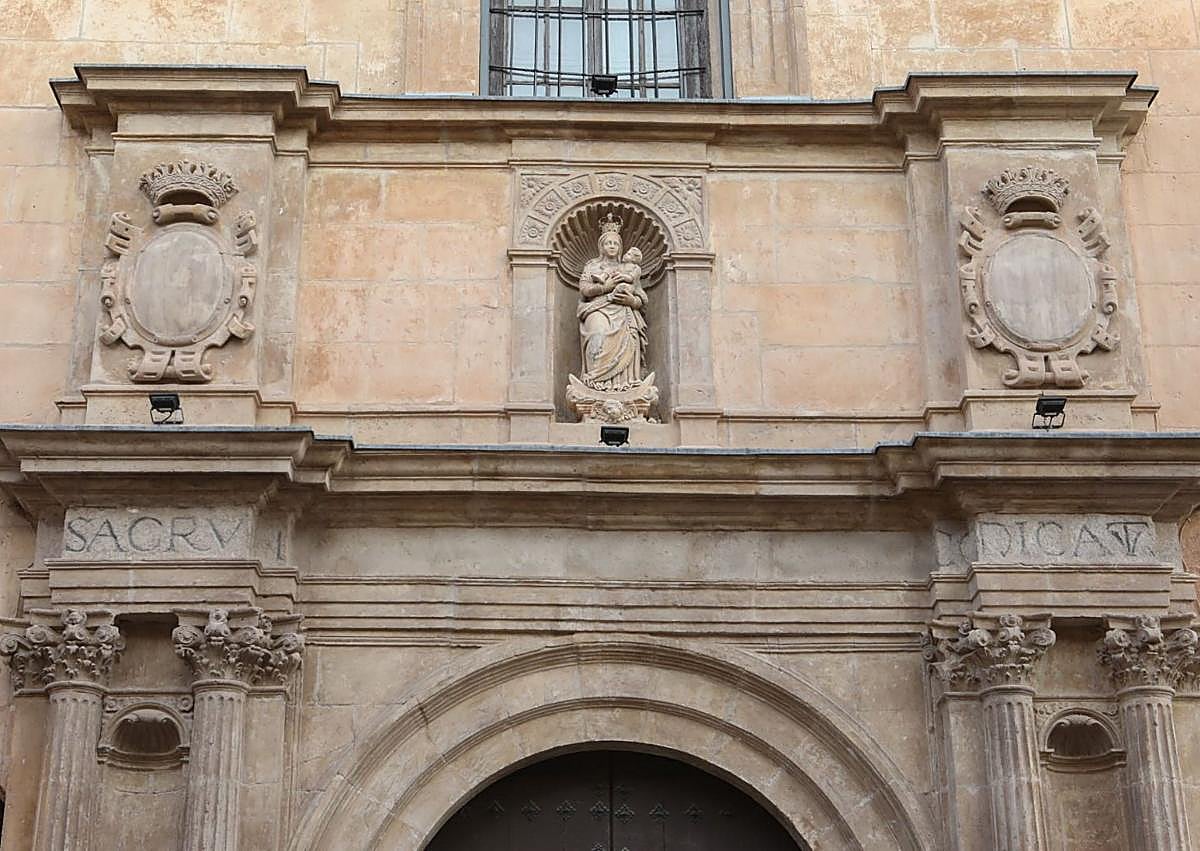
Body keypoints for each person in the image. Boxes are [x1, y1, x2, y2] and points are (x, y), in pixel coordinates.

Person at [577, 217, 649, 390]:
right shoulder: (592, 266)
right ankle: (595, 383)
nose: (611, 246)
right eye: (608, 243)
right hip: (597, 309)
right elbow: (584, 289)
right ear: (601, 246)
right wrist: (604, 288)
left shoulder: (629, 268)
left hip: (624, 313)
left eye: (615, 243)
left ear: (620, 247)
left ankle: (624, 385)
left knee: (627, 342)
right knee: (597, 335)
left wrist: (632, 301)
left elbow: (641, 297)